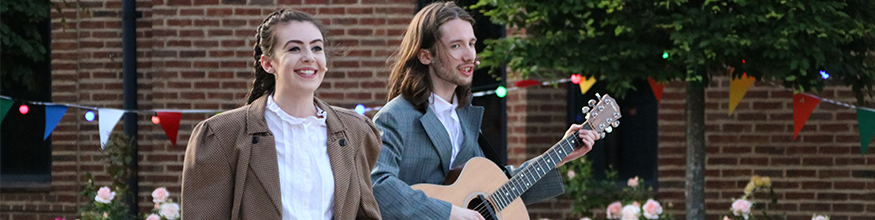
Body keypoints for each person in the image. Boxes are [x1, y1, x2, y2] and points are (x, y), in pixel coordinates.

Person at [370, 2, 601, 220]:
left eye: (471, 43)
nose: (470, 55)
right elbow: (377, 185)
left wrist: (559, 156)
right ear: (426, 55)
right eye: (455, 45)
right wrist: (449, 213)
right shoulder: (396, 116)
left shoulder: (464, 116)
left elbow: (495, 189)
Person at [181, 9, 382, 220]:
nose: (309, 57)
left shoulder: (355, 131)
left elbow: (364, 214)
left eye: (316, 48)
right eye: (294, 48)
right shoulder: (222, 135)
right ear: (268, 63)